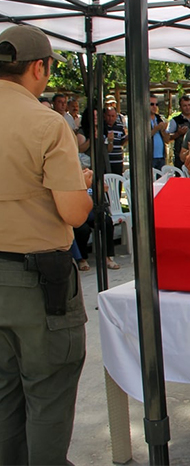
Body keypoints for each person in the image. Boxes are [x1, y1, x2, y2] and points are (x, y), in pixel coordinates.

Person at [0, 25, 93, 464]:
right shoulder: (44, 122)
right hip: (38, 283)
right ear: (39, 67)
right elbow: (74, 213)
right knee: (49, 391)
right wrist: (84, 187)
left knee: (4, 397)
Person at [167, 95, 190, 169]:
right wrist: (178, 133)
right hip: (179, 157)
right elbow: (168, 138)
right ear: (180, 107)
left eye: (189, 105)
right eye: (185, 105)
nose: (187, 107)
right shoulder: (175, 120)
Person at [104, 105, 128, 176]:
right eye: (108, 116)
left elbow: (122, 142)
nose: (110, 118)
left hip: (118, 161)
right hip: (107, 161)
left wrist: (127, 138)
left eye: (112, 116)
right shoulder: (102, 127)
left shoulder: (119, 126)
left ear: (116, 116)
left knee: (118, 183)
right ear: (104, 115)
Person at [149, 96, 169, 170]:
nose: (154, 107)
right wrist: (156, 129)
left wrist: (163, 130)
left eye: (156, 104)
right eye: (152, 104)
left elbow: (167, 140)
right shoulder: (143, 119)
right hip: (150, 157)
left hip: (161, 156)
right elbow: (143, 137)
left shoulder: (159, 119)